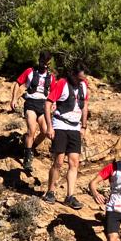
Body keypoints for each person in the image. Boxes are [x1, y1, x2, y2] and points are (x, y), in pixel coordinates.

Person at [43, 63, 90, 209]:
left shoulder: (84, 85)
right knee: (59, 160)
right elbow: (48, 104)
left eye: (83, 78)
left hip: (75, 127)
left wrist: (84, 126)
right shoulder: (62, 83)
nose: (82, 80)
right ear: (73, 74)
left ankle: (70, 196)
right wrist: (49, 126)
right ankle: (50, 191)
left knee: (74, 162)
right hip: (60, 125)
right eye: (80, 78)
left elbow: (85, 105)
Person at [10, 52, 55, 169]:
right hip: (31, 103)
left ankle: (30, 147)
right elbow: (18, 83)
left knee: (45, 131)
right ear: (39, 60)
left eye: (47, 63)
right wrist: (14, 99)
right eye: (43, 62)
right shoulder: (30, 71)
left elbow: (54, 92)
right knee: (32, 130)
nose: (45, 65)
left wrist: (54, 103)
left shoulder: (51, 77)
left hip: (43, 105)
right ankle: (27, 158)